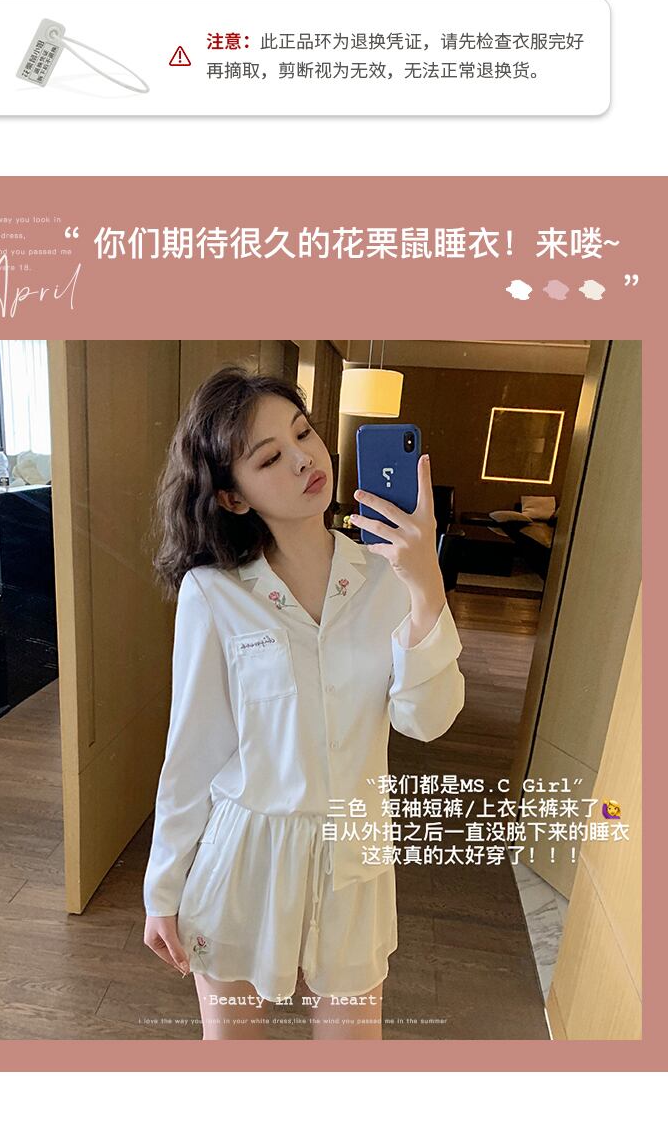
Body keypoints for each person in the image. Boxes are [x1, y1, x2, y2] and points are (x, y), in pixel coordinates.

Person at [142, 364, 465, 1040]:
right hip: (243, 860)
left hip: (354, 860)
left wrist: (426, 587)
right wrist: (161, 888)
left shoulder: (387, 577)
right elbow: (193, 752)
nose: (303, 460)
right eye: (269, 458)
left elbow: (427, 720)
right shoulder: (214, 594)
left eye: (303, 433)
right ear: (232, 497)